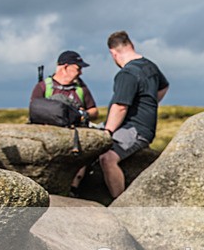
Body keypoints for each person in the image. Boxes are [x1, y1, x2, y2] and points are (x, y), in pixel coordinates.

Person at [99, 30, 169, 199]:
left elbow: (120, 106)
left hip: (134, 129)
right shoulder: (149, 66)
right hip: (140, 127)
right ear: (131, 45)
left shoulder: (127, 73)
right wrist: (149, 105)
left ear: (113, 53)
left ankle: (121, 205)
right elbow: (163, 87)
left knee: (107, 158)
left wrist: (107, 132)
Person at [30, 50, 99, 195]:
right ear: (65, 67)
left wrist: (83, 114)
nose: (81, 73)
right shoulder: (44, 87)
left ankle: (73, 189)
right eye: (78, 68)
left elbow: (94, 111)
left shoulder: (80, 88)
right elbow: (34, 110)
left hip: (76, 134)